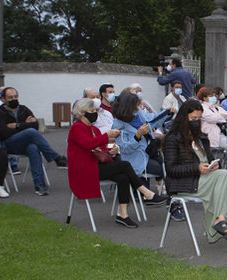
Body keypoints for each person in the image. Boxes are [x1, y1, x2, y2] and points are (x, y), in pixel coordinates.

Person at [163, 100, 227, 254]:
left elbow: (209, 161)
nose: (196, 122)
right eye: (193, 119)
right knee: (224, 178)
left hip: (206, 179)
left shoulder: (201, 138)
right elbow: (171, 169)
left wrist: (212, 165)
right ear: (184, 118)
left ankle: (223, 222)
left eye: (199, 119)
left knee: (222, 177)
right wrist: (196, 168)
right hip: (185, 183)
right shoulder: (173, 138)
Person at [67, 98, 165, 228]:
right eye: (91, 111)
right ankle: (146, 193)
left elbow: (99, 150)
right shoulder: (76, 128)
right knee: (125, 165)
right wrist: (107, 136)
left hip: (95, 166)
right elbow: (87, 144)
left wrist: (110, 151)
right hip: (84, 169)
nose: (94, 113)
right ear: (82, 113)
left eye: (94, 110)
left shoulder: (94, 130)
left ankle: (122, 214)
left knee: (123, 177)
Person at [0, 87, 66, 196]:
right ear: (3, 99)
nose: (14, 99)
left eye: (15, 96)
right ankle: (56, 158)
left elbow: (36, 125)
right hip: (9, 144)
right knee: (30, 132)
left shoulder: (23, 109)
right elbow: (4, 132)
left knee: (33, 148)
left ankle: (40, 185)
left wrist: (16, 126)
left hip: (24, 143)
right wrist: (25, 126)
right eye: (10, 97)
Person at [110, 92, 166, 195]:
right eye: (135, 105)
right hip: (135, 160)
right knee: (163, 170)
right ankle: (166, 199)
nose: (138, 107)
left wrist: (168, 113)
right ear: (127, 107)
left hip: (149, 153)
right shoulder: (118, 124)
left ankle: (165, 198)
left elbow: (153, 120)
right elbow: (125, 148)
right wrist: (137, 136)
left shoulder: (139, 114)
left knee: (167, 165)